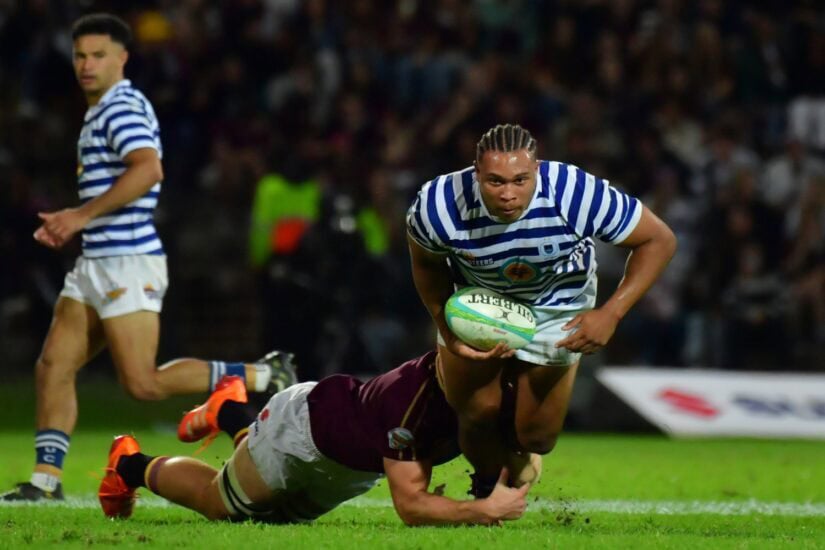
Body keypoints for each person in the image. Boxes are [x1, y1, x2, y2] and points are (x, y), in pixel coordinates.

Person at [0, 13, 297, 503]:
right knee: (53, 364)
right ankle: (45, 482)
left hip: (128, 261)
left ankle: (264, 375)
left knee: (142, 383)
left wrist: (79, 216)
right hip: (96, 262)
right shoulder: (99, 111)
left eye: (98, 55)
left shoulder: (122, 106)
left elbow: (148, 169)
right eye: (80, 56)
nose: (87, 64)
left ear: (122, 58)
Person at [406, 123, 677, 496]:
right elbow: (426, 265)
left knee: (538, 437)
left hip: (558, 304)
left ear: (537, 169)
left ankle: (516, 445)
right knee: (477, 412)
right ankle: (486, 489)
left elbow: (659, 239)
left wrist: (611, 312)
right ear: (476, 173)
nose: (508, 194)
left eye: (520, 180)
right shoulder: (438, 205)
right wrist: (445, 327)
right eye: (495, 181)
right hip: (479, 304)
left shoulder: (575, 192)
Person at [98, 351, 535, 526]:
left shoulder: (490, 390)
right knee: (224, 506)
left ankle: (229, 410)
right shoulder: (411, 403)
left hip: (353, 467)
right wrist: (481, 509)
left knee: (273, 523)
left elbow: (529, 454)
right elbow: (411, 506)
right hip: (304, 430)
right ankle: (128, 464)